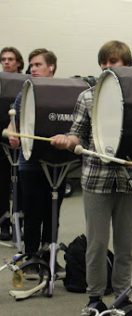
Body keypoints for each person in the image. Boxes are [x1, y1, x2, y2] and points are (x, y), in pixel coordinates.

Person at [50, 40, 132, 314]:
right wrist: (68, 139)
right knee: (97, 244)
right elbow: (78, 133)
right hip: (96, 180)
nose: (107, 67)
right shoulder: (88, 97)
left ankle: (123, 294)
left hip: (128, 180)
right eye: (105, 62)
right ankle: (95, 297)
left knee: (125, 245)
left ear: (126, 66)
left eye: (114, 62)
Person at [8, 49, 64, 262]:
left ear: (51, 67)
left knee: (52, 214)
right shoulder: (25, 93)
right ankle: (31, 258)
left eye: (38, 64)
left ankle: (49, 257)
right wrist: (13, 133)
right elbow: (13, 123)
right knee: (32, 214)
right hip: (29, 163)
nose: (33, 69)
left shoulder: (62, 91)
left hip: (57, 165)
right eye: (31, 65)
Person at [0, 47, 25, 241]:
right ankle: (4, 220)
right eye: (3, 59)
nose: (7, 62)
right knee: (2, 182)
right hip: (2, 141)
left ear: (18, 62)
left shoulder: (27, 83)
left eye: (10, 59)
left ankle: (21, 219)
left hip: (23, 142)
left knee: (23, 184)